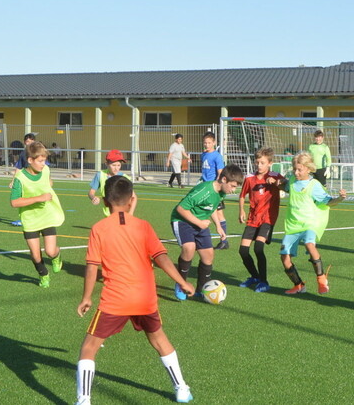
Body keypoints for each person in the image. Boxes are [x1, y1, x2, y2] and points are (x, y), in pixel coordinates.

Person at [76, 176, 195, 404]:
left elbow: (92, 266)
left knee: (90, 347)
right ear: (131, 200)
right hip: (145, 298)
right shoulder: (143, 226)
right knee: (159, 340)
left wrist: (86, 297)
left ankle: (83, 400)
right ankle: (181, 388)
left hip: (116, 300)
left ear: (105, 201)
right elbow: (161, 257)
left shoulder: (99, 228)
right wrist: (182, 281)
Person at [171, 164, 244, 301]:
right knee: (189, 248)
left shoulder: (221, 192)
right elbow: (181, 208)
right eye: (233, 186)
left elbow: (213, 207)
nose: (234, 190)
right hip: (182, 220)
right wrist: (199, 223)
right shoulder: (205, 190)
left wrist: (218, 226)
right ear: (223, 180)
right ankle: (181, 284)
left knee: (208, 255)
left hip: (200, 221)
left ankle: (202, 289)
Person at [278, 152, 346, 295]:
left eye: (299, 169)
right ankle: (299, 285)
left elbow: (328, 201)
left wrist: (339, 198)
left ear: (308, 169)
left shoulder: (314, 185)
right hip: (293, 226)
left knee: (310, 244)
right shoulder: (291, 180)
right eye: (294, 169)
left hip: (310, 223)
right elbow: (285, 187)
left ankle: (321, 279)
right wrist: (276, 183)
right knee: (284, 256)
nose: (296, 172)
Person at [9, 141, 64, 288]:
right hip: (30, 220)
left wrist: (48, 187)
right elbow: (14, 202)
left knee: (50, 251)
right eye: (40, 161)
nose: (43, 163)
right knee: (35, 255)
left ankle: (56, 256)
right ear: (30, 160)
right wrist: (38, 198)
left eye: (44, 160)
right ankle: (43, 274)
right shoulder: (20, 178)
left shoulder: (45, 170)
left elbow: (48, 182)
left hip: (47, 216)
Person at [237, 147, 285, 293]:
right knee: (243, 250)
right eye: (257, 162)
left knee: (258, 247)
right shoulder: (249, 178)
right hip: (253, 218)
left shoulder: (275, 175)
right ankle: (255, 276)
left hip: (268, 218)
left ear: (270, 163)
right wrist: (241, 210)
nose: (259, 165)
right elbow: (241, 195)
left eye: (262, 163)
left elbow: (287, 184)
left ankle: (264, 281)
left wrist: (277, 183)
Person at [200, 131, 229, 250]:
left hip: (214, 189)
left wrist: (216, 187)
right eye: (205, 143)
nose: (207, 145)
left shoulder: (217, 156)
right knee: (208, 212)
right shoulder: (203, 155)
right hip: (206, 187)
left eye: (209, 143)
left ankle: (224, 240)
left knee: (218, 213)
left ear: (214, 142)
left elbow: (220, 173)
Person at [88, 149, 135, 217]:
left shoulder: (124, 178)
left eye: (118, 165)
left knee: (120, 227)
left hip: (122, 213)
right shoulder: (100, 175)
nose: (116, 168)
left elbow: (134, 197)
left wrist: (131, 213)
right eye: (113, 165)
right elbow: (91, 192)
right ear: (106, 164)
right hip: (108, 212)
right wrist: (93, 198)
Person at [9, 133, 38, 226]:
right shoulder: (23, 153)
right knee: (23, 200)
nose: (28, 144)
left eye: (30, 141)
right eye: (26, 142)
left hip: (36, 180)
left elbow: (46, 167)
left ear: (34, 141)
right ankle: (24, 219)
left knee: (36, 200)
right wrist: (13, 181)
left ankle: (36, 219)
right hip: (26, 180)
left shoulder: (38, 153)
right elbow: (18, 168)